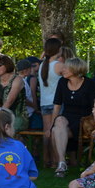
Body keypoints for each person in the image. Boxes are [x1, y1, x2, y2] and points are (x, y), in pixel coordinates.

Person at [51, 58, 95, 177]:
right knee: (58, 122)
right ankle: (62, 162)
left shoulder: (89, 83)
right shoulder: (62, 82)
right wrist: (52, 123)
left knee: (56, 131)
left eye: (66, 68)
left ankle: (62, 165)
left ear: (76, 69)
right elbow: (57, 105)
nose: (63, 70)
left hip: (85, 120)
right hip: (67, 118)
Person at [38, 38, 64, 167]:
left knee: (46, 131)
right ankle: (56, 161)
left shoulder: (43, 64)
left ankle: (45, 159)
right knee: (55, 131)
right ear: (58, 49)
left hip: (44, 103)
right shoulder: (58, 65)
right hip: (56, 103)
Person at [0, 55, 28, 132]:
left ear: (7, 65)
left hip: (18, 117)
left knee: (1, 127)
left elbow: (9, 101)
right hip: (1, 116)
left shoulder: (17, 79)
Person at [16, 59, 41, 130]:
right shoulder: (21, 81)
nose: (31, 70)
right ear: (26, 70)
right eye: (30, 68)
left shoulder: (22, 80)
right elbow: (22, 98)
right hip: (27, 114)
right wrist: (34, 106)